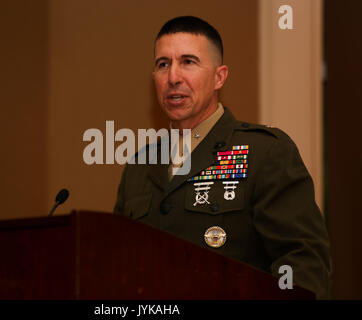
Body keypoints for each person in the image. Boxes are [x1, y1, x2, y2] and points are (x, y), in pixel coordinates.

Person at [113, 16, 331, 299]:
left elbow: (302, 262)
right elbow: (116, 265)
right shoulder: (139, 166)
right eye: (163, 64)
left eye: (188, 62)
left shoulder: (265, 152)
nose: (173, 77)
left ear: (219, 76)